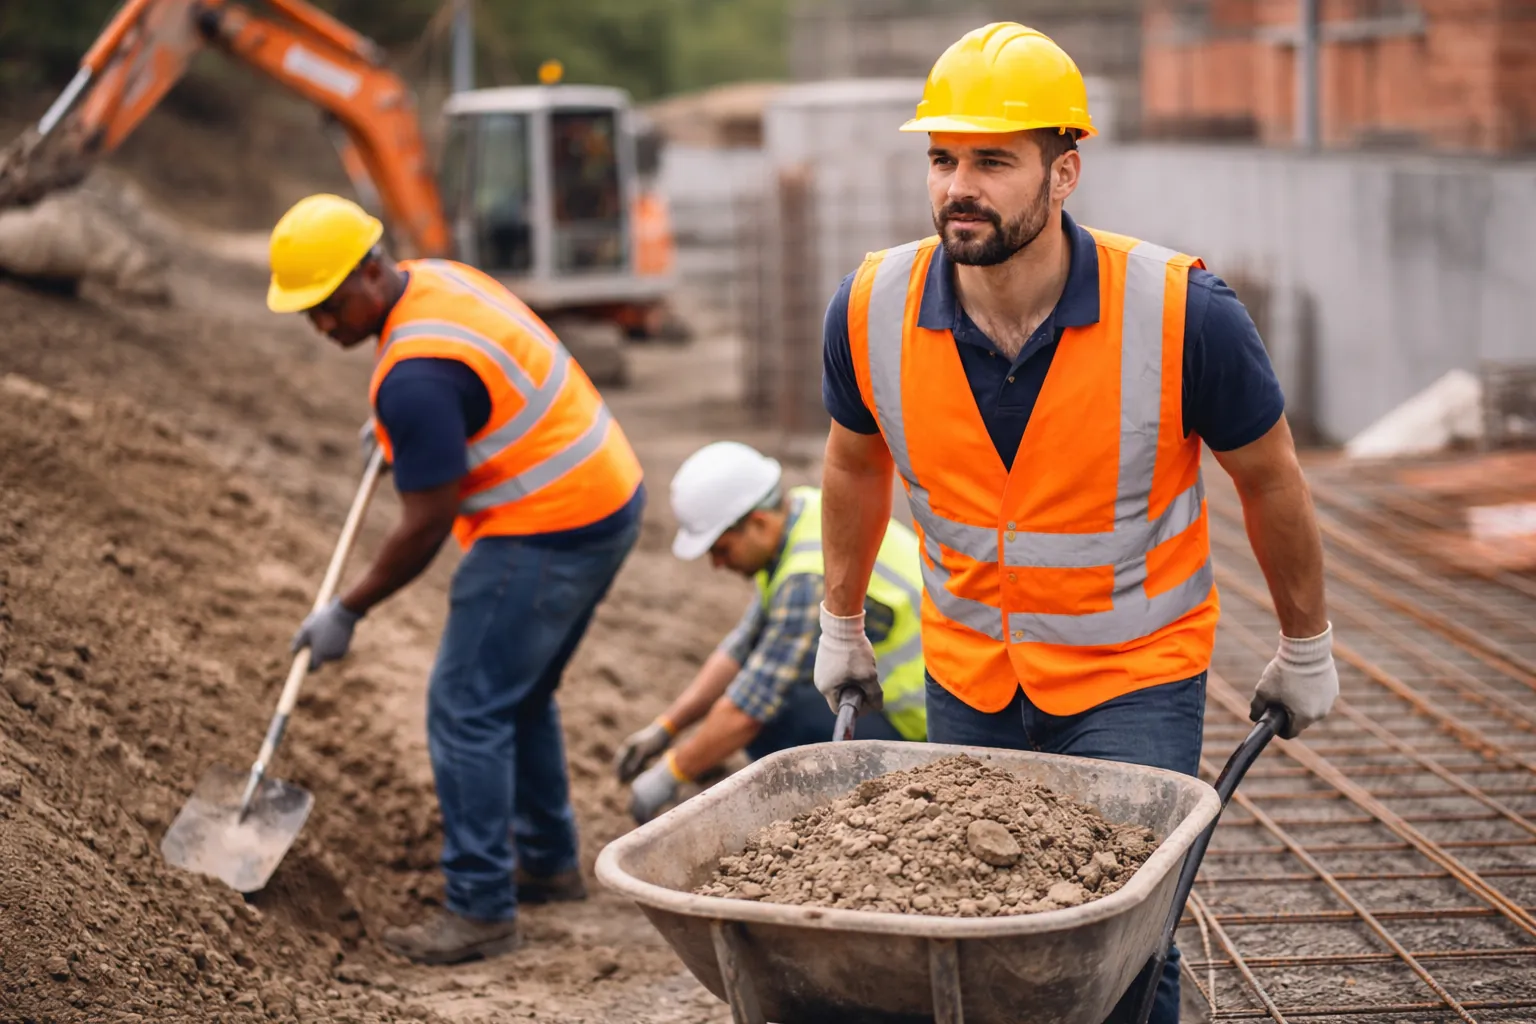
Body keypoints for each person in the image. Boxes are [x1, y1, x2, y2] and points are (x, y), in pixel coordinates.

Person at [810, 24, 1339, 1024]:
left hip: (1132, 673)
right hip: (970, 672)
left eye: (992, 161)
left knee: (1122, 933)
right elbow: (851, 459)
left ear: (1065, 173)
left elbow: (1269, 476)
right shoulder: (870, 306)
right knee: (982, 926)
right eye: (942, 158)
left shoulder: (1184, 311)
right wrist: (842, 624)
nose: (958, 186)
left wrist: (1306, 643)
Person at [267, 193, 646, 966]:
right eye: (308, 313)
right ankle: (546, 861)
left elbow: (424, 525)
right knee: (520, 691)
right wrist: (406, 432)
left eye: (327, 306)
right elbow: (463, 391)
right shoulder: (434, 281)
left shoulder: (415, 378)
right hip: (606, 491)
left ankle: (479, 907)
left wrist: (349, 607)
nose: (321, 326)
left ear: (369, 274)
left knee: (465, 706)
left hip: (552, 525)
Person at [617, 441, 926, 824]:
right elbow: (741, 648)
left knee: (775, 714)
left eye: (722, 550)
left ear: (759, 523)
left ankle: (853, 816)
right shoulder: (803, 516)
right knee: (768, 697)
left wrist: (671, 773)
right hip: (896, 706)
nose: (716, 564)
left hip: (920, 732)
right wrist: (665, 728)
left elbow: (750, 707)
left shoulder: (805, 575)